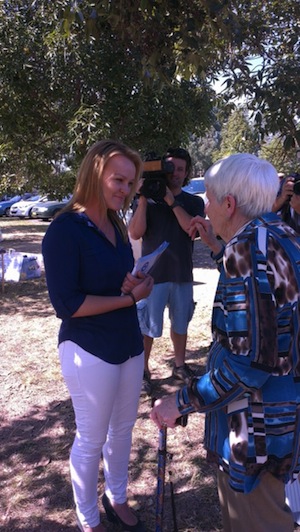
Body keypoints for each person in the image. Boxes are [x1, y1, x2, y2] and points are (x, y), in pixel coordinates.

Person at [150, 153, 300, 532]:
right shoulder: (279, 235)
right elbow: (267, 303)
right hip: (281, 420)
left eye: (211, 198)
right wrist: (218, 249)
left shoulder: (246, 254)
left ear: (229, 204)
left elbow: (248, 364)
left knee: (257, 522)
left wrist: (180, 402)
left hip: (255, 431)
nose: (207, 205)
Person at [42, 140, 154, 532]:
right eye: (118, 180)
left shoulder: (117, 225)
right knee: (91, 438)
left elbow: (119, 283)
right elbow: (66, 304)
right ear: (95, 174)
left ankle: (117, 496)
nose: (124, 189)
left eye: (130, 183)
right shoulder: (64, 229)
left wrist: (137, 281)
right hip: (88, 348)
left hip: (127, 343)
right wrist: (128, 300)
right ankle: (88, 518)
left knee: (123, 430)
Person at [128, 147, 205, 395]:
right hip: (153, 276)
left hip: (182, 273)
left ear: (186, 172)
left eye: (180, 169)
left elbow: (190, 231)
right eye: (170, 168)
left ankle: (180, 366)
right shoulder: (147, 202)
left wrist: (170, 200)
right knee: (147, 326)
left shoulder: (194, 202)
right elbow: (135, 233)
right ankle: (143, 371)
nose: (175, 174)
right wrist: (142, 197)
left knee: (181, 323)